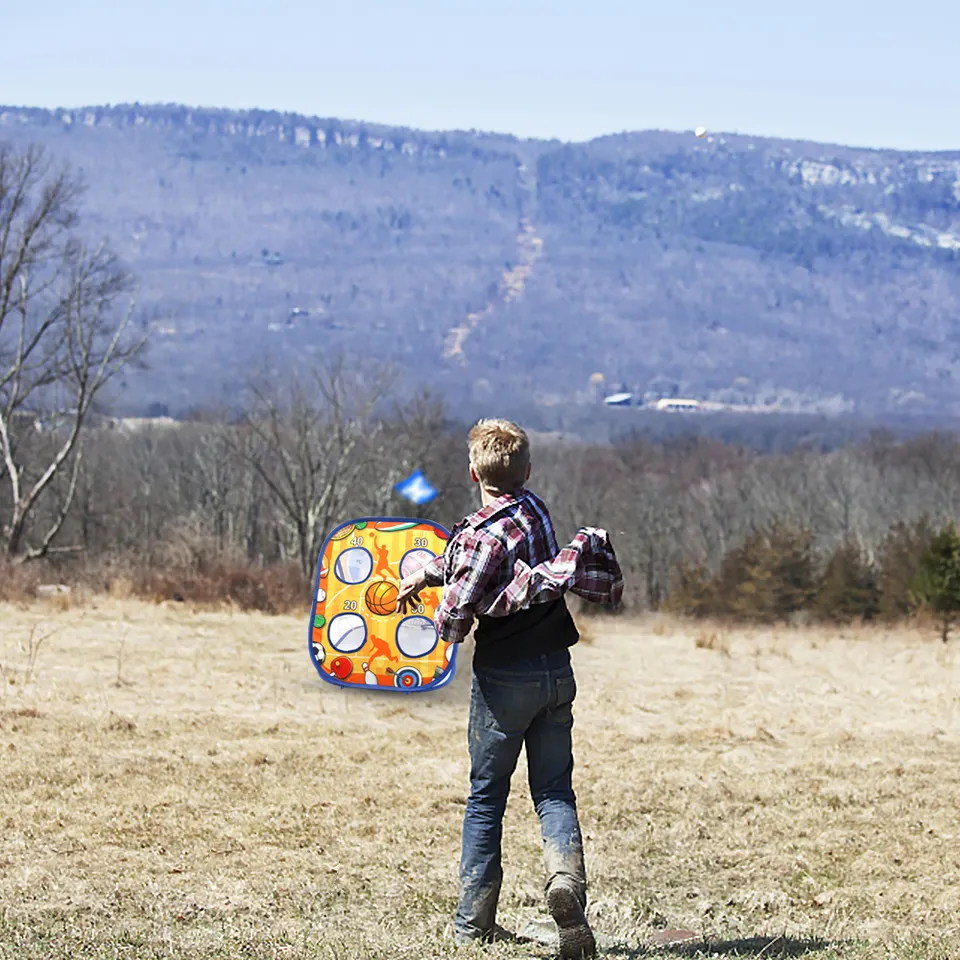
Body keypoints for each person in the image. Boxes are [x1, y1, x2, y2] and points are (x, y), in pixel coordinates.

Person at [396, 419, 622, 959]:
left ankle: (473, 926)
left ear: (472, 471)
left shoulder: (478, 535)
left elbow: (457, 613)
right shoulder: (534, 508)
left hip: (504, 680)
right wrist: (430, 573)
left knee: (485, 799)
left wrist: (433, 608)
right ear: (527, 470)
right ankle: (564, 883)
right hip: (556, 670)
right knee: (553, 791)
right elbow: (473, 560)